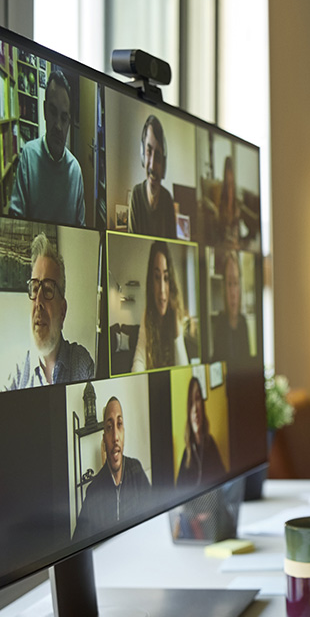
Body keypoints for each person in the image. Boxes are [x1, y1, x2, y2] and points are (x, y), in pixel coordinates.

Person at [4, 232, 95, 389]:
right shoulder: (16, 371)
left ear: (62, 311)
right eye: (34, 288)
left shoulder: (81, 363)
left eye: (47, 289)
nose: (38, 301)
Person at [7, 68, 85, 226]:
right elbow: (15, 219)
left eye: (64, 118)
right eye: (52, 112)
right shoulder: (28, 157)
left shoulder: (75, 171)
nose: (58, 126)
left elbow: (81, 229)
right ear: (44, 110)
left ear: (69, 121)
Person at [73, 397, 151, 538]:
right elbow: (78, 545)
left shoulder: (136, 470)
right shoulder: (93, 491)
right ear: (104, 439)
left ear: (124, 433)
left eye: (119, 424)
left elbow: (154, 521)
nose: (115, 436)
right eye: (109, 427)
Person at [132, 239, 189, 372]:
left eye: (166, 278)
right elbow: (139, 360)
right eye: (157, 277)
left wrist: (176, 330)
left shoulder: (179, 316)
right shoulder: (148, 314)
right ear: (151, 282)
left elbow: (185, 371)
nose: (162, 290)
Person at [127, 114, 177, 238]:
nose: (153, 166)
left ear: (164, 163)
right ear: (143, 155)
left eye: (158, 156)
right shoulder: (136, 195)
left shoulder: (167, 199)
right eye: (149, 152)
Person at [176, 376, 226, 489]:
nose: (195, 409)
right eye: (191, 403)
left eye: (197, 399)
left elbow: (223, 480)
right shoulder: (187, 453)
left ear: (203, 406)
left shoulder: (210, 444)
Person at [211, 249, 251, 362]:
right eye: (229, 284)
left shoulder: (243, 323)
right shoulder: (219, 325)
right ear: (224, 288)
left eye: (236, 283)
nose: (233, 293)